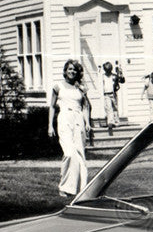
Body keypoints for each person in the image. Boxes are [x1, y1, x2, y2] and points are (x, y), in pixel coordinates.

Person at [48, 59, 91, 197]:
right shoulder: (58, 86)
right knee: (68, 153)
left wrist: (87, 122)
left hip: (78, 120)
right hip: (65, 119)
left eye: (74, 70)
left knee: (80, 155)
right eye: (70, 69)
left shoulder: (80, 88)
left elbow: (85, 107)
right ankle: (64, 186)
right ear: (65, 71)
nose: (72, 72)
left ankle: (82, 188)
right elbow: (52, 106)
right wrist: (50, 125)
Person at [101, 61, 125, 133]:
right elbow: (101, 85)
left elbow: (122, 81)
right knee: (109, 108)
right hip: (106, 94)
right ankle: (110, 122)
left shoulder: (114, 76)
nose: (108, 72)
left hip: (113, 93)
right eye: (106, 70)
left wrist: (121, 75)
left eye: (109, 70)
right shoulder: (103, 76)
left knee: (115, 107)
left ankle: (116, 121)